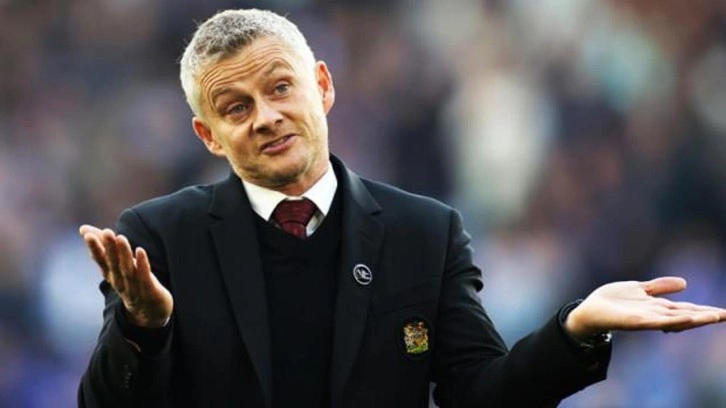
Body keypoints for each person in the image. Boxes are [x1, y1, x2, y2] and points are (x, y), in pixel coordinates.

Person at [77, 8, 726, 408]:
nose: (266, 116)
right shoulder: (157, 238)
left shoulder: (426, 233)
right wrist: (143, 328)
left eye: (280, 87)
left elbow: (480, 394)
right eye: (236, 107)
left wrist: (575, 330)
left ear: (322, 87)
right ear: (209, 136)